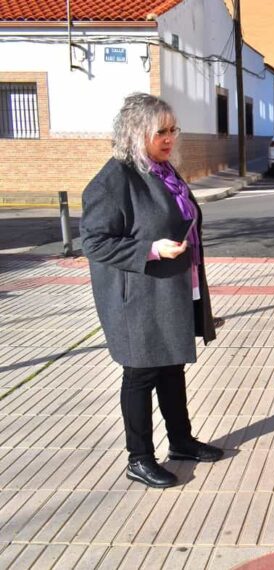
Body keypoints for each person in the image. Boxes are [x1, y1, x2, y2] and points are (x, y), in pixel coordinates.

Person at [81, 93, 224, 489]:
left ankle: (181, 442)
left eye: (173, 130)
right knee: (141, 373)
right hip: (137, 295)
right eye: (160, 131)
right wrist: (150, 249)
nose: (169, 138)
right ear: (135, 132)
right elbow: (93, 241)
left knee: (172, 365)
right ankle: (139, 458)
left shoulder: (163, 171)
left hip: (171, 288)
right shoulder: (114, 179)